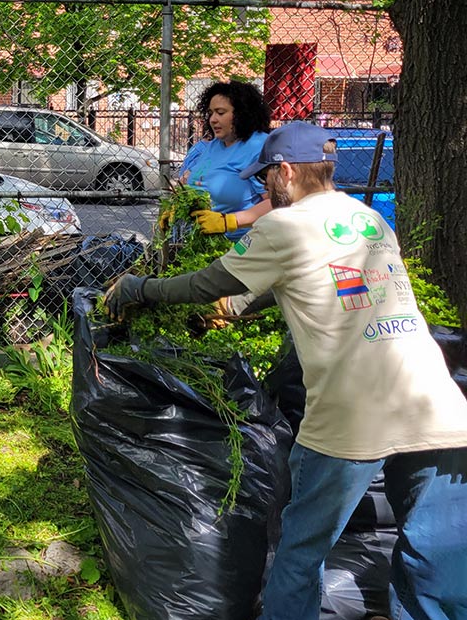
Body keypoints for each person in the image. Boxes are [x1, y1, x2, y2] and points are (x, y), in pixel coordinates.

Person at [106, 122, 467, 620]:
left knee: (301, 550)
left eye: (266, 177)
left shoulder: (282, 226)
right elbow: (325, 282)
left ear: (288, 171)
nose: (262, 188)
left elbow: (204, 284)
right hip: (438, 405)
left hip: (351, 414)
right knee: (435, 555)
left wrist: (138, 288)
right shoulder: (368, 221)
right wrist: (242, 305)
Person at [179, 80, 273, 236]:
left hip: (243, 245)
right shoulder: (214, 145)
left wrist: (229, 221)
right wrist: (176, 207)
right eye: (211, 113)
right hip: (202, 243)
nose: (213, 119)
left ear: (242, 114)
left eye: (220, 113)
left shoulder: (259, 147)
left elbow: (278, 203)